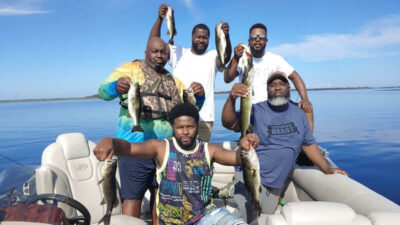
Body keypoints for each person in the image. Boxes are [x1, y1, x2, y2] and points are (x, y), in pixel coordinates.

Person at [97, 37, 205, 223]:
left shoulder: (174, 81)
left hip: (165, 150)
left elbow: (191, 110)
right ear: (146, 53)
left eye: (163, 52)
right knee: (132, 198)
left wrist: (200, 97)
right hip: (134, 148)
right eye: (155, 51)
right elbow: (102, 92)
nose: (159, 55)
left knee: (162, 198)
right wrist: (116, 86)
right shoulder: (130, 69)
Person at [94, 103, 258, 225]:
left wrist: (244, 146)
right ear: (173, 127)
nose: (185, 131)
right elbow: (128, 148)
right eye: (180, 127)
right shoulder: (161, 148)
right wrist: (110, 141)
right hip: (172, 221)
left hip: (206, 216)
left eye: (190, 126)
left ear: (197, 127)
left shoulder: (209, 149)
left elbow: (236, 158)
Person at [221, 71, 348, 222]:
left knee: (263, 218)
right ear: (267, 90)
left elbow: (309, 144)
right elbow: (229, 122)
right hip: (252, 177)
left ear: (289, 88)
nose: (277, 87)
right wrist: (231, 98)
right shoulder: (256, 110)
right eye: (273, 85)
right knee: (243, 219)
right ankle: (233, 193)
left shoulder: (299, 114)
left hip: (276, 185)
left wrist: (327, 168)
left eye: (282, 84)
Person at [149, 4, 232, 142]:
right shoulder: (178, 52)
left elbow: (226, 56)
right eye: (198, 37)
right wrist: (160, 19)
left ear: (210, 39)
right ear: (192, 37)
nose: (201, 40)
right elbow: (153, 43)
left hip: (204, 119)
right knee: (176, 158)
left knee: (201, 157)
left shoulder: (212, 56)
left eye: (205, 38)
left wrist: (226, 37)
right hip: (177, 117)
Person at [224, 23, 314, 131]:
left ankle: (308, 143)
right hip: (252, 108)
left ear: (266, 40)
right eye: (253, 37)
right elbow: (227, 78)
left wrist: (305, 99)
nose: (257, 40)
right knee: (230, 121)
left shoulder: (276, 59)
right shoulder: (241, 59)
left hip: (275, 106)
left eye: (261, 37)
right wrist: (235, 58)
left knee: (307, 109)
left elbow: (295, 77)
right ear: (248, 41)